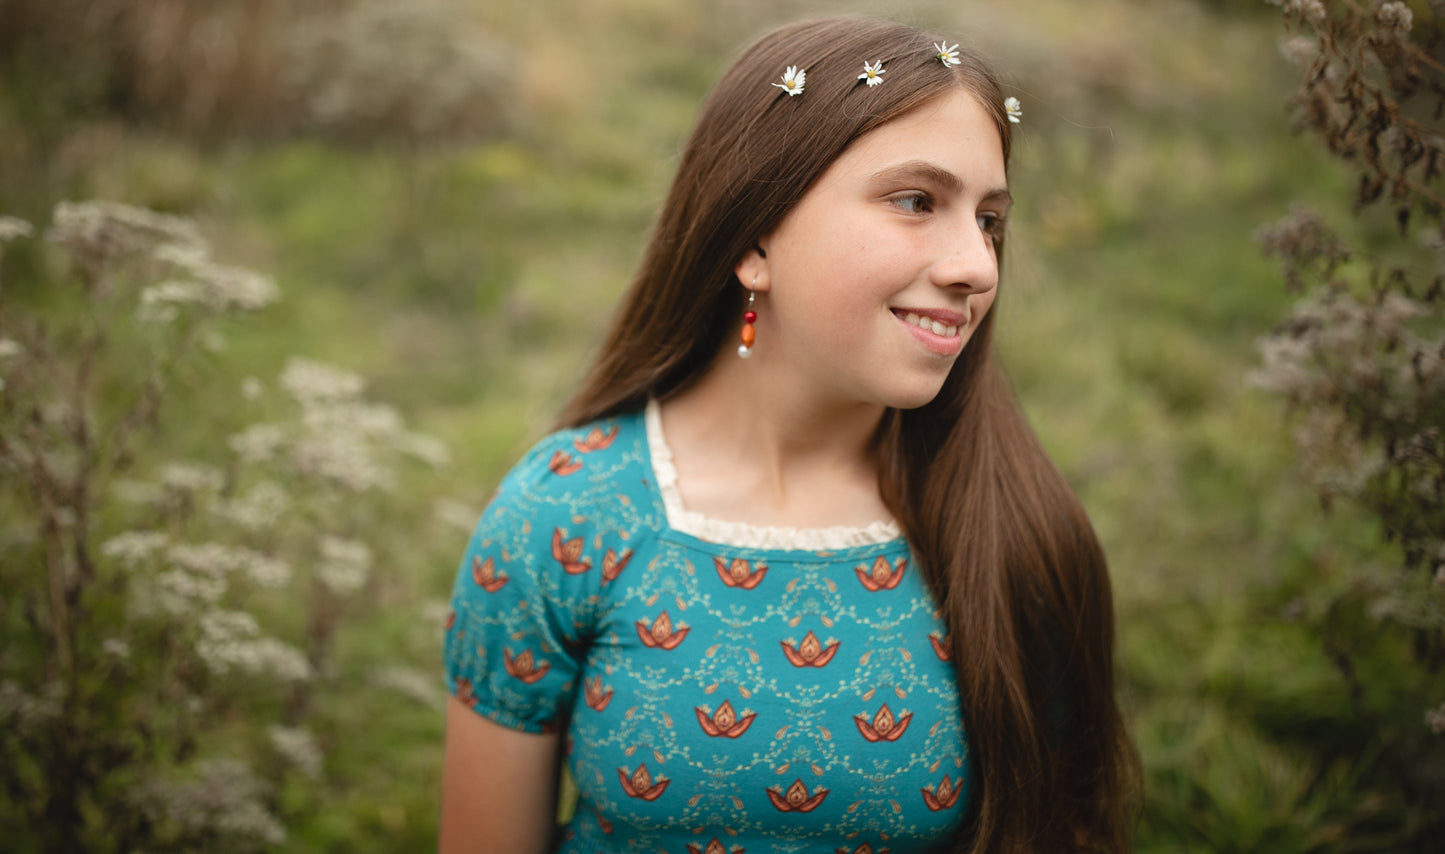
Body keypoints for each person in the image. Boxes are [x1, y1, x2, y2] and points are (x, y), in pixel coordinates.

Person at [440, 16, 1137, 854]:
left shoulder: (1016, 530)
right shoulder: (566, 518)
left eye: (989, 219)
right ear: (752, 237)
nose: (977, 266)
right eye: (915, 201)